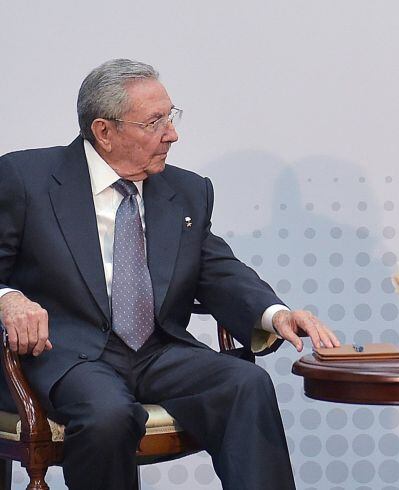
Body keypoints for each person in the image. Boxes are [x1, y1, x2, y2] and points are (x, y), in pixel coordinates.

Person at [0, 59, 339, 490]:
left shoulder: (187, 191)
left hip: (157, 352)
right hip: (68, 355)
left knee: (246, 383)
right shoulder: (27, 179)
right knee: (109, 414)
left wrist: (275, 314)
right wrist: (8, 297)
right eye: (155, 121)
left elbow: (218, 270)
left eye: (171, 116)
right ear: (104, 131)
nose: (172, 134)